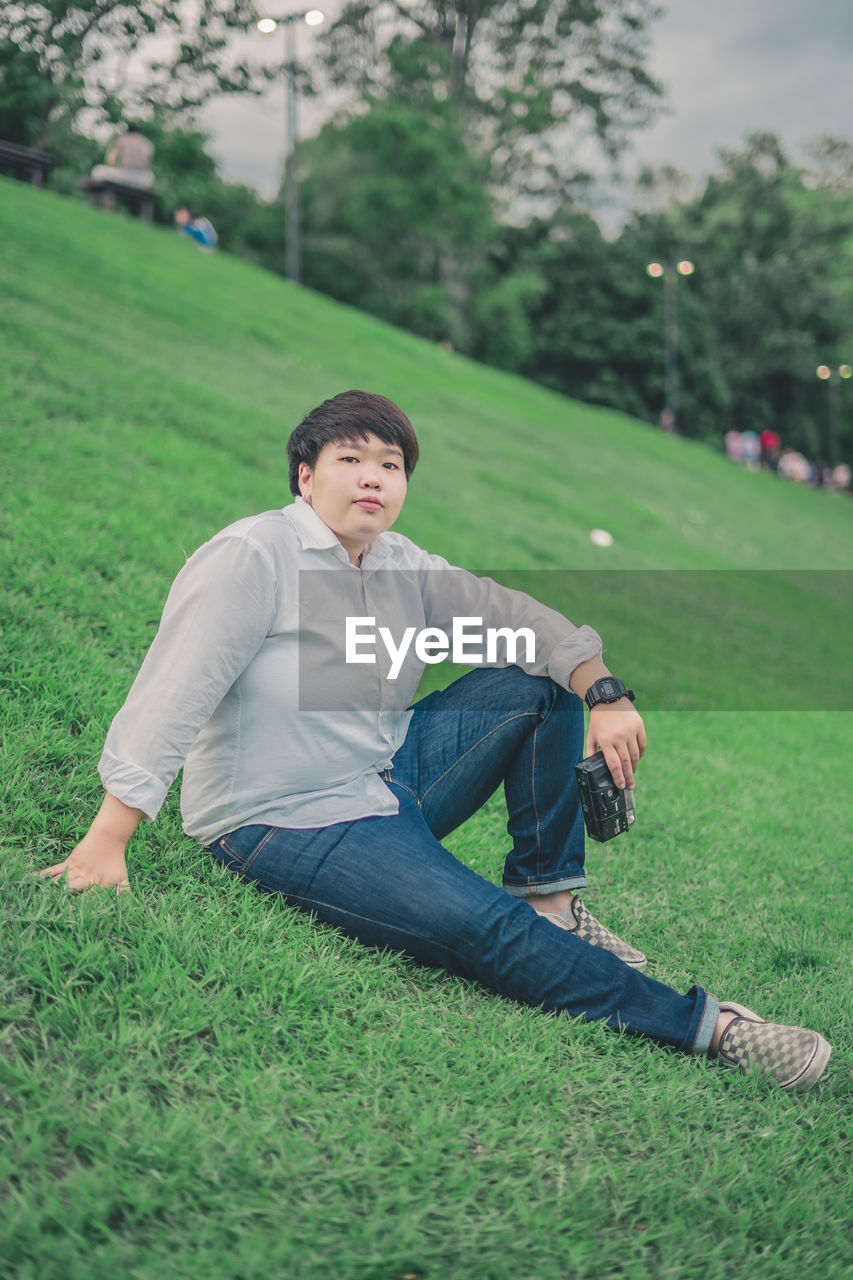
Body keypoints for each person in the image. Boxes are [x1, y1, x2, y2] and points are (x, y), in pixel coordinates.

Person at [40, 390, 833, 1093]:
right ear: (304, 476)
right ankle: (715, 1029)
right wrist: (107, 840)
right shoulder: (253, 558)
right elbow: (174, 692)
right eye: (349, 459)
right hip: (282, 819)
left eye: (390, 463)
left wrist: (603, 691)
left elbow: (518, 622)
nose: (372, 477)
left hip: (384, 778)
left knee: (532, 681)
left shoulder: (401, 568)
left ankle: (550, 899)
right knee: (477, 928)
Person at [90, 123, 155, 190]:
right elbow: (148, 162)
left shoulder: (123, 139)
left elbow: (111, 159)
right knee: (150, 177)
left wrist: (117, 167)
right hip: (143, 179)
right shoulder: (147, 143)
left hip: (126, 176)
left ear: (127, 131)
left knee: (97, 170)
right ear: (138, 132)